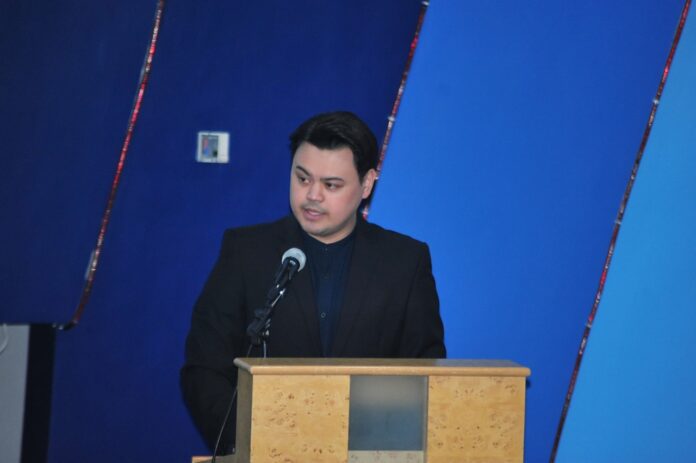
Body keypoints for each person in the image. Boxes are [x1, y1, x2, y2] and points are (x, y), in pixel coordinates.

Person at [181, 111, 446, 454]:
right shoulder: (246, 252)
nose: (312, 195)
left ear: (366, 184)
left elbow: (425, 375)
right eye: (302, 178)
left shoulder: (405, 263)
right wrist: (249, 443)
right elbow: (204, 368)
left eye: (331, 185)